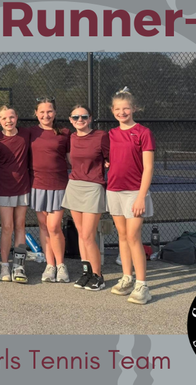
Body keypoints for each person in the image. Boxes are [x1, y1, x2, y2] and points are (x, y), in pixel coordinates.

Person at [106, 87, 155, 304]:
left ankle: (142, 285)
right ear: (112, 110)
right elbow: (111, 158)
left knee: (134, 237)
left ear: (134, 108)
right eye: (118, 109)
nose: (122, 112)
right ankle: (127, 278)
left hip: (135, 192)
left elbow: (148, 168)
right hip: (113, 190)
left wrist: (141, 196)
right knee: (123, 236)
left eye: (126, 108)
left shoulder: (143, 133)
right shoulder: (111, 134)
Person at [62, 105, 109, 291]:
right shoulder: (70, 137)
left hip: (93, 187)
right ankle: (87, 272)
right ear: (71, 119)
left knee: (89, 235)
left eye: (83, 116)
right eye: (76, 117)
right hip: (74, 186)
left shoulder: (101, 136)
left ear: (90, 118)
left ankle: (99, 276)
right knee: (81, 234)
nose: (79, 120)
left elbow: (111, 158)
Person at [29, 97, 71, 283]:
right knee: (44, 227)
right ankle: (50, 264)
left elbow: (73, 158)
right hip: (37, 185)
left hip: (59, 185)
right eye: (42, 112)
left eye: (49, 111)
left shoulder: (64, 133)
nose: (46, 115)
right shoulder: (30, 133)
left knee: (54, 226)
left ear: (54, 113)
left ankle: (61, 265)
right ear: (36, 114)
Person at [0, 106, 31, 283]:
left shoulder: (26, 135)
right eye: (4, 118)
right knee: (7, 227)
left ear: (17, 118)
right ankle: (5, 265)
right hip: (4, 188)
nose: (8, 121)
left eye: (11, 117)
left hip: (23, 187)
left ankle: (19, 265)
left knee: (20, 225)